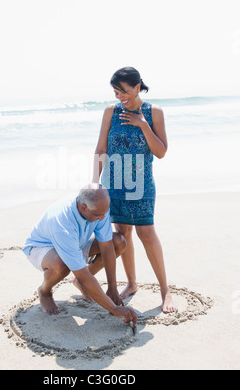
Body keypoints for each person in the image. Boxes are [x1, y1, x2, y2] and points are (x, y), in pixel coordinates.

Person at [93, 66, 177, 313]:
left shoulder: (154, 112)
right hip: (115, 184)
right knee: (123, 234)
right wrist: (95, 182)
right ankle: (131, 284)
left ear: (137, 87)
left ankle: (165, 290)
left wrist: (143, 125)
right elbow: (100, 149)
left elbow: (161, 152)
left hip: (142, 185)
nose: (119, 96)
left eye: (123, 91)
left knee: (147, 234)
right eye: (116, 92)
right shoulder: (111, 112)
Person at [22, 183, 137, 327]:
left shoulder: (99, 208)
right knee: (62, 265)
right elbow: (82, 273)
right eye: (98, 215)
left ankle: (79, 283)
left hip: (76, 241)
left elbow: (107, 247)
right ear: (83, 207)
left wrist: (112, 288)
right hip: (42, 247)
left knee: (118, 242)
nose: (102, 218)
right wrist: (114, 309)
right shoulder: (62, 222)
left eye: (104, 213)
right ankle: (44, 291)